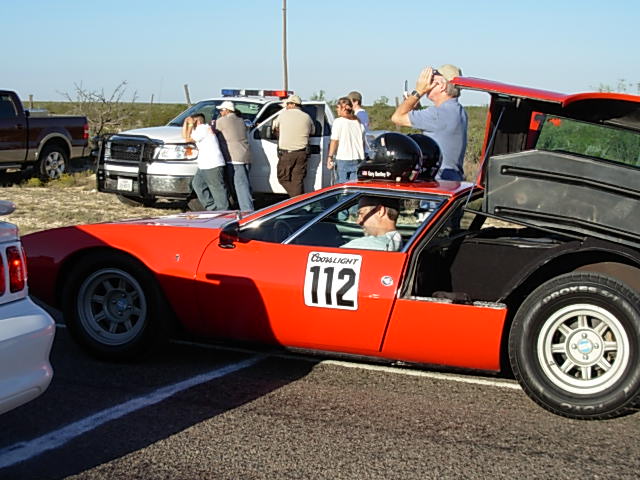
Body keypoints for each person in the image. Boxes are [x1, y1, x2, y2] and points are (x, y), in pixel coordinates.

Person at [391, 64, 468, 181]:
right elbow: (436, 126)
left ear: (442, 85)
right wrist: (414, 106)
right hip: (453, 178)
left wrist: (418, 92)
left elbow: (397, 118)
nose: (427, 84)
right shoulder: (457, 110)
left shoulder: (437, 114)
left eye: (431, 80)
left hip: (439, 181)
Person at [182, 114, 229, 211]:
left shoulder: (203, 128)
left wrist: (190, 125)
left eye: (193, 121)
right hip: (204, 165)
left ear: (198, 122)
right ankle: (213, 208)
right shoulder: (198, 130)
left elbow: (188, 139)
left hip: (213, 164)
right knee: (197, 184)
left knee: (217, 189)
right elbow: (184, 136)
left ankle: (224, 211)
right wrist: (186, 123)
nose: (191, 123)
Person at [272, 94, 315, 197]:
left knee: (282, 178)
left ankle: (299, 200)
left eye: (287, 104)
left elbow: (273, 127)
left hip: (287, 153)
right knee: (298, 180)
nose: (286, 106)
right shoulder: (307, 117)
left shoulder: (283, 115)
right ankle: (300, 202)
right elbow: (313, 131)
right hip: (302, 153)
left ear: (292, 104)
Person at [215, 100, 254, 211]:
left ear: (226, 110)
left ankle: (247, 210)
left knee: (241, 185)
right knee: (245, 183)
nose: (220, 112)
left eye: (221, 110)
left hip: (234, 157)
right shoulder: (241, 120)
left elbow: (215, 133)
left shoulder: (221, 121)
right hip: (246, 155)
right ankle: (245, 206)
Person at [327, 97, 366, 184]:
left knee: (342, 186)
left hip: (343, 158)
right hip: (358, 159)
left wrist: (330, 157)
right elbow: (362, 142)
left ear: (343, 108)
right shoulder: (358, 123)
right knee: (355, 186)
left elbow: (334, 141)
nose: (337, 110)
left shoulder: (338, 122)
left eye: (337, 107)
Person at [347, 90, 371, 159]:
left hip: (361, 150)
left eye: (350, 101)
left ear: (356, 102)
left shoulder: (360, 115)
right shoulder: (362, 114)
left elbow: (360, 133)